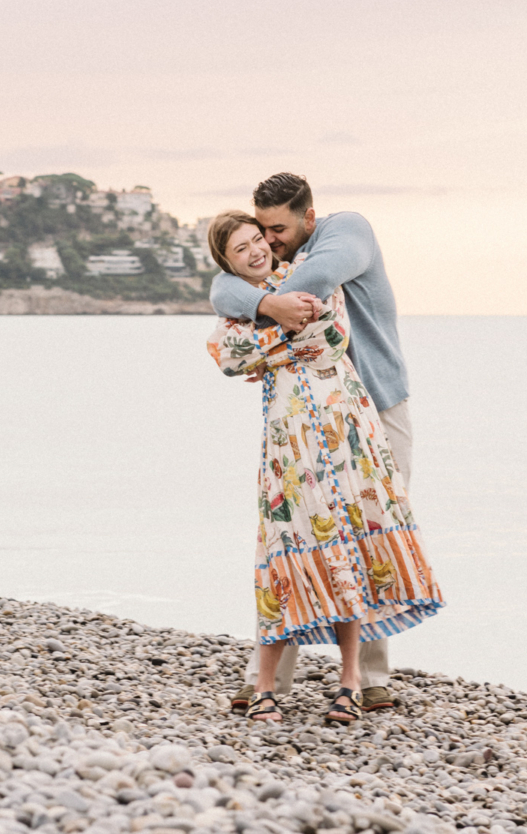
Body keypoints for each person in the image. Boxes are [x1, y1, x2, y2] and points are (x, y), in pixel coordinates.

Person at [205, 209, 442, 723]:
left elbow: (328, 335)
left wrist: (264, 335)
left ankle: (361, 681)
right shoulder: (240, 293)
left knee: (359, 537)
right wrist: (278, 316)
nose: (263, 244)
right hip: (289, 440)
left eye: (268, 233)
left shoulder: (334, 245)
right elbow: (226, 354)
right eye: (245, 242)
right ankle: (266, 681)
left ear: (303, 216)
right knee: (286, 545)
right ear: (226, 260)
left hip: (355, 420)